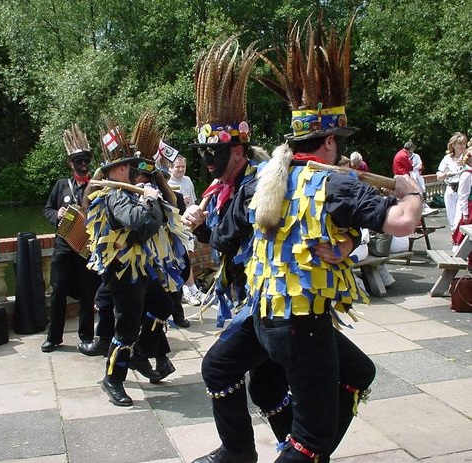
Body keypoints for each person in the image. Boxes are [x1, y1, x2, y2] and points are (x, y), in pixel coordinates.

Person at [190, 17, 422, 463]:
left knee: (354, 372)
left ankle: (279, 448)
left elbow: (249, 231)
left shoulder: (264, 179)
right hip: (297, 319)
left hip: (266, 314)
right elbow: (401, 224)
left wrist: (344, 244)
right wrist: (409, 189)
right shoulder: (334, 183)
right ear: (330, 141)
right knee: (309, 440)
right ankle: (299, 451)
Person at [182, 38, 295, 463]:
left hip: (270, 302)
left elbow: (227, 238)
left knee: (217, 368)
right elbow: (223, 240)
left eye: (214, 152)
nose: (207, 160)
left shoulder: (255, 184)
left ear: (238, 149)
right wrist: (205, 225)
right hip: (259, 298)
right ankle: (297, 449)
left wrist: (202, 226)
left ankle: (238, 453)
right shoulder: (230, 185)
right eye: (203, 153)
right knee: (266, 385)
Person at [85, 118, 164, 406]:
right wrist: (149, 204)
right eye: (127, 166)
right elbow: (138, 221)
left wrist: (150, 211)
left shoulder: (128, 192)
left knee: (162, 307)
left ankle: (140, 355)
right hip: (121, 271)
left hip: (139, 266)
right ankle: (113, 379)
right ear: (118, 169)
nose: (131, 170)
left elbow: (152, 224)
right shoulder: (116, 194)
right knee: (126, 327)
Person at [41, 124, 100, 353]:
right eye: (79, 162)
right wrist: (58, 215)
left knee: (87, 293)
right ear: (70, 164)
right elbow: (47, 209)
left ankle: (86, 336)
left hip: (86, 248)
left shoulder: (96, 187)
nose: (83, 165)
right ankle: (53, 337)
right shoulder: (60, 186)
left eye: (86, 161)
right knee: (58, 292)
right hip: (63, 247)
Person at [168, 154, 203, 308]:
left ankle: (189, 289)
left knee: (187, 254)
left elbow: (194, 203)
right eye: (178, 167)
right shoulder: (166, 182)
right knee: (182, 255)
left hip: (187, 225)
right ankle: (189, 289)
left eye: (183, 167)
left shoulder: (187, 180)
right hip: (174, 225)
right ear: (170, 168)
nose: (181, 169)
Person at [437, 132, 468, 229]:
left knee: (462, 218)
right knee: (452, 219)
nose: (462, 146)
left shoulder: (468, 157)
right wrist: (446, 174)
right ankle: (454, 238)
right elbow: (439, 175)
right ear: (453, 145)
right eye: (460, 143)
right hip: (451, 189)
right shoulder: (447, 158)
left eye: (464, 143)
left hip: (464, 190)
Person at [451, 148, 472, 254]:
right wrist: (466, 213)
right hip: (470, 207)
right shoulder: (467, 174)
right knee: (465, 235)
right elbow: (463, 196)